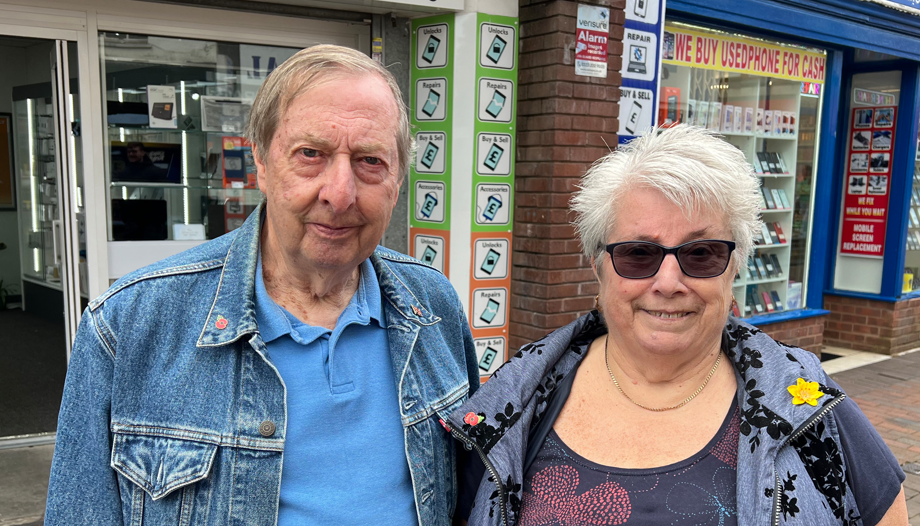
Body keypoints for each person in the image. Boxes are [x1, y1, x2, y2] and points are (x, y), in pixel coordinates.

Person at [46, 45, 479, 525]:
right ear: (262, 163)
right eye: (310, 154)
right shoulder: (127, 325)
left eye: (370, 161)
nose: (339, 194)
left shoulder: (434, 305)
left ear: (399, 178)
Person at [448, 125, 907, 525]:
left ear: (735, 268)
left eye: (701, 254)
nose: (668, 282)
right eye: (638, 254)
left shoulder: (805, 402)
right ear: (598, 267)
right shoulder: (514, 404)